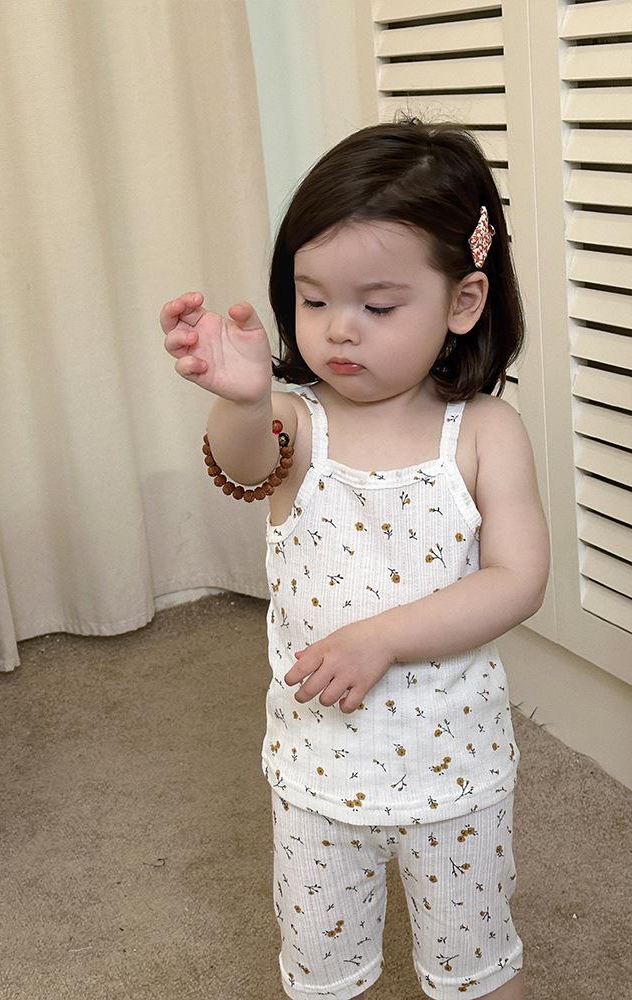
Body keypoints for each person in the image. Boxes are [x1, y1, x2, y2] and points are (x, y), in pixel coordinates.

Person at [160, 116, 550, 1000]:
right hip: (318, 775)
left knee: (479, 968)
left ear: (463, 303)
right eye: (313, 300)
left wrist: (382, 637)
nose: (339, 331)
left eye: (377, 307)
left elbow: (518, 579)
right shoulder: (298, 421)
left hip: (457, 773)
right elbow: (245, 466)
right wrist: (245, 398)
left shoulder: (484, 431)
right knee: (322, 973)